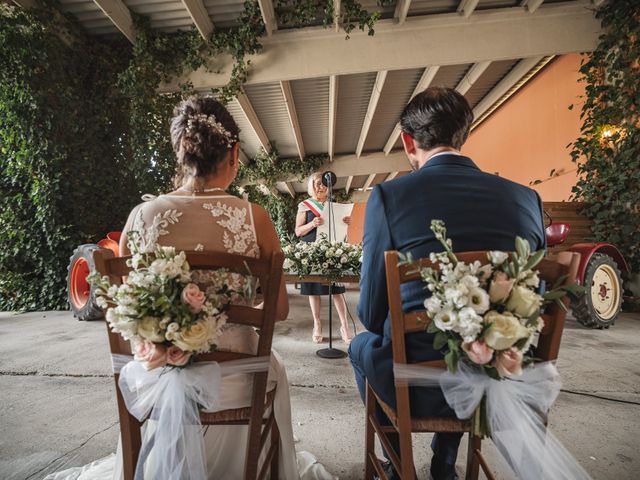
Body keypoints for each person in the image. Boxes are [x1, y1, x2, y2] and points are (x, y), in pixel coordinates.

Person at [46, 96, 333, 480]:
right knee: (274, 370)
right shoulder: (255, 218)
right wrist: (240, 297)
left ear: (180, 152)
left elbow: (128, 309)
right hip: (238, 380)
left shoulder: (140, 217)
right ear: (233, 154)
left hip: (160, 375)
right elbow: (278, 310)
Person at [348, 87, 546, 480]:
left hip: (416, 387)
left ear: (409, 141)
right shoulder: (527, 199)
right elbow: (534, 305)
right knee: (467, 340)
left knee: (361, 345)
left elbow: (371, 314)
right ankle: (444, 463)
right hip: (501, 378)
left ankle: (397, 459)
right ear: (463, 134)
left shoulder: (389, 197)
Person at [295, 173, 354, 344]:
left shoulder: (334, 206)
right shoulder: (305, 206)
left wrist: (346, 222)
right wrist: (312, 224)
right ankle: (317, 324)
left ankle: (345, 326)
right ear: (310, 186)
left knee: (337, 291)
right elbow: (298, 231)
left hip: (331, 252)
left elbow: (341, 231)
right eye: (317, 183)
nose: (321, 187)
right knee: (314, 290)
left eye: (323, 184)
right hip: (312, 252)